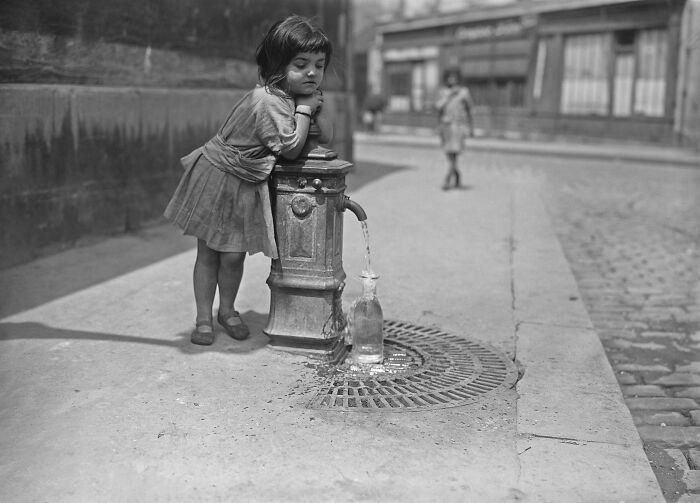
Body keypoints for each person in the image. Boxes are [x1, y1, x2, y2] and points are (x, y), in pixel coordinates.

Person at [164, 15, 333, 345]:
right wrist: (306, 110)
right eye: (301, 64)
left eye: (319, 64)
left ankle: (226, 311)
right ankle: (203, 319)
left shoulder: (283, 97)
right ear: (277, 65)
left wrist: (302, 106)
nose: (312, 72)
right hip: (218, 177)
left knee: (233, 255)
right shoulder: (270, 100)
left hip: (243, 181)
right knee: (210, 252)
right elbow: (291, 147)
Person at [435, 68, 474, 190]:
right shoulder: (443, 92)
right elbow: (438, 107)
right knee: (448, 153)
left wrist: (471, 127)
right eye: (449, 77)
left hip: (458, 126)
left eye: (454, 77)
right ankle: (457, 174)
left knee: (455, 152)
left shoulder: (464, 92)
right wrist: (448, 96)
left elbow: (470, 110)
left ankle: (447, 179)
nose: (452, 80)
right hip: (446, 126)